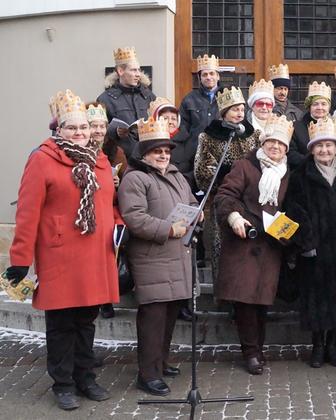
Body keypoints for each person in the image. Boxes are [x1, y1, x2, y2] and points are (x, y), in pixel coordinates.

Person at [7, 90, 120, 410]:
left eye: (84, 127)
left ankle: (86, 377)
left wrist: (118, 226)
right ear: (58, 129)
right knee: (61, 325)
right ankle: (63, 383)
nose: (81, 133)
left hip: (96, 255)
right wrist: (19, 259)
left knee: (87, 320)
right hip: (60, 256)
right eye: (72, 128)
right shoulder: (42, 159)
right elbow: (27, 212)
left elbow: (110, 204)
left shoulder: (99, 160)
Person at [117, 116, 198, 396]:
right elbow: (134, 218)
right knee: (153, 318)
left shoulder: (176, 175)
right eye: (156, 151)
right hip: (152, 257)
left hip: (177, 256)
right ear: (144, 154)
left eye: (166, 151)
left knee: (171, 315)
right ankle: (147, 374)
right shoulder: (135, 178)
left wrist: (195, 216)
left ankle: (161, 362)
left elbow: (191, 202)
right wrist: (168, 229)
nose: (163, 155)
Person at [284, 116, 336, 368]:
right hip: (315, 245)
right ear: (311, 149)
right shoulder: (300, 175)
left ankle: (333, 345)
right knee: (317, 298)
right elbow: (292, 208)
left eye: (329, 145)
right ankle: (317, 346)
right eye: (319, 146)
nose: (324, 150)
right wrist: (305, 238)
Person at [213, 115, 291, 375]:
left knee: (262, 301)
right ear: (263, 143)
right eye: (271, 143)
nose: (276, 148)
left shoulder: (287, 173)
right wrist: (234, 216)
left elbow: (291, 206)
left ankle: (258, 347)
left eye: (281, 145)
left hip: (271, 244)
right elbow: (224, 195)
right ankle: (251, 353)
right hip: (244, 241)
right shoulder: (244, 166)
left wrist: (288, 228)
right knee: (245, 300)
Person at [194, 86, 259, 278]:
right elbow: (203, 172)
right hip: (223, 200)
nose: (239, 113)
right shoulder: (208, 137)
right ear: (224, 112)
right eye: (234, 109)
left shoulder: (253, 135)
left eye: (241, 109)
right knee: (224, 249)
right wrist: (230, 178)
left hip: (250, 200)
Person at [148, 97, 198, 322]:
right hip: (159, 214)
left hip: (182, 198)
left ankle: (184, 303)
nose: (169, 121)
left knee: (185, 262)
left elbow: (190, 167)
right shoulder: (147, 141)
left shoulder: (187, 139)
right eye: (164, 117)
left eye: (172, 118)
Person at [86, 102, 128, 320]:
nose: (99, 131)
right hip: (87, 213)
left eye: (102, 126)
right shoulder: (78, 150)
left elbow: (126, 180)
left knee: (110, 257)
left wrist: (117, 183)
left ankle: (107, 299)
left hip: (110, 211)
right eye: (94, 125)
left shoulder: (115, 151)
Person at [97, 47, 156, 159]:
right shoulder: (105, 99)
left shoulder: (149, 96)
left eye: (139, 70)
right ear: (120, 71)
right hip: (121, 159)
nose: (138, 74)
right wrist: (114, 131)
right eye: (133, 70)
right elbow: (97, 130)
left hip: (147, 157)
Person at [288, 81, 332, 168]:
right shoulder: (296, 127)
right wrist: (312, 164)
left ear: (329, 107)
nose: (320, 107)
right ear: (309, 107)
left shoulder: (335, 127)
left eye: (324, 104)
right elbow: (291, 154)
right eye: (315, 104)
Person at [180, 54, 222, 142]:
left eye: (212, 73)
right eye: (204, 75)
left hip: (221, 150)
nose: (208, 77)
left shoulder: (227, 97)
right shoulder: (189, 100)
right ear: (200, 78)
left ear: (218, 76)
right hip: (195, 151)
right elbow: (183, 129)